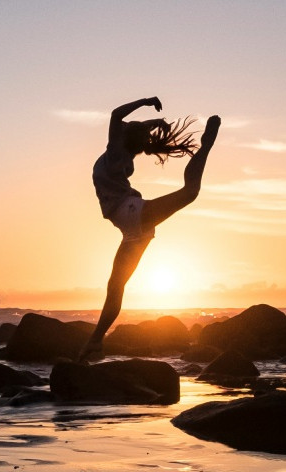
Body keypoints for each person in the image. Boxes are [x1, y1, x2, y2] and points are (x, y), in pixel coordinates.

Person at [79, 97, 220, 362]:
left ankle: (207, 146)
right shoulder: (123, 148)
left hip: (131, 213)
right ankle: (94, 343)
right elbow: (127, 123)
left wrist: (146, 103)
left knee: (190, 192)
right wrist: (154, 120)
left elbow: (116, 113)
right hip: (133, 229)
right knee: (115, 286)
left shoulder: (116, 150)